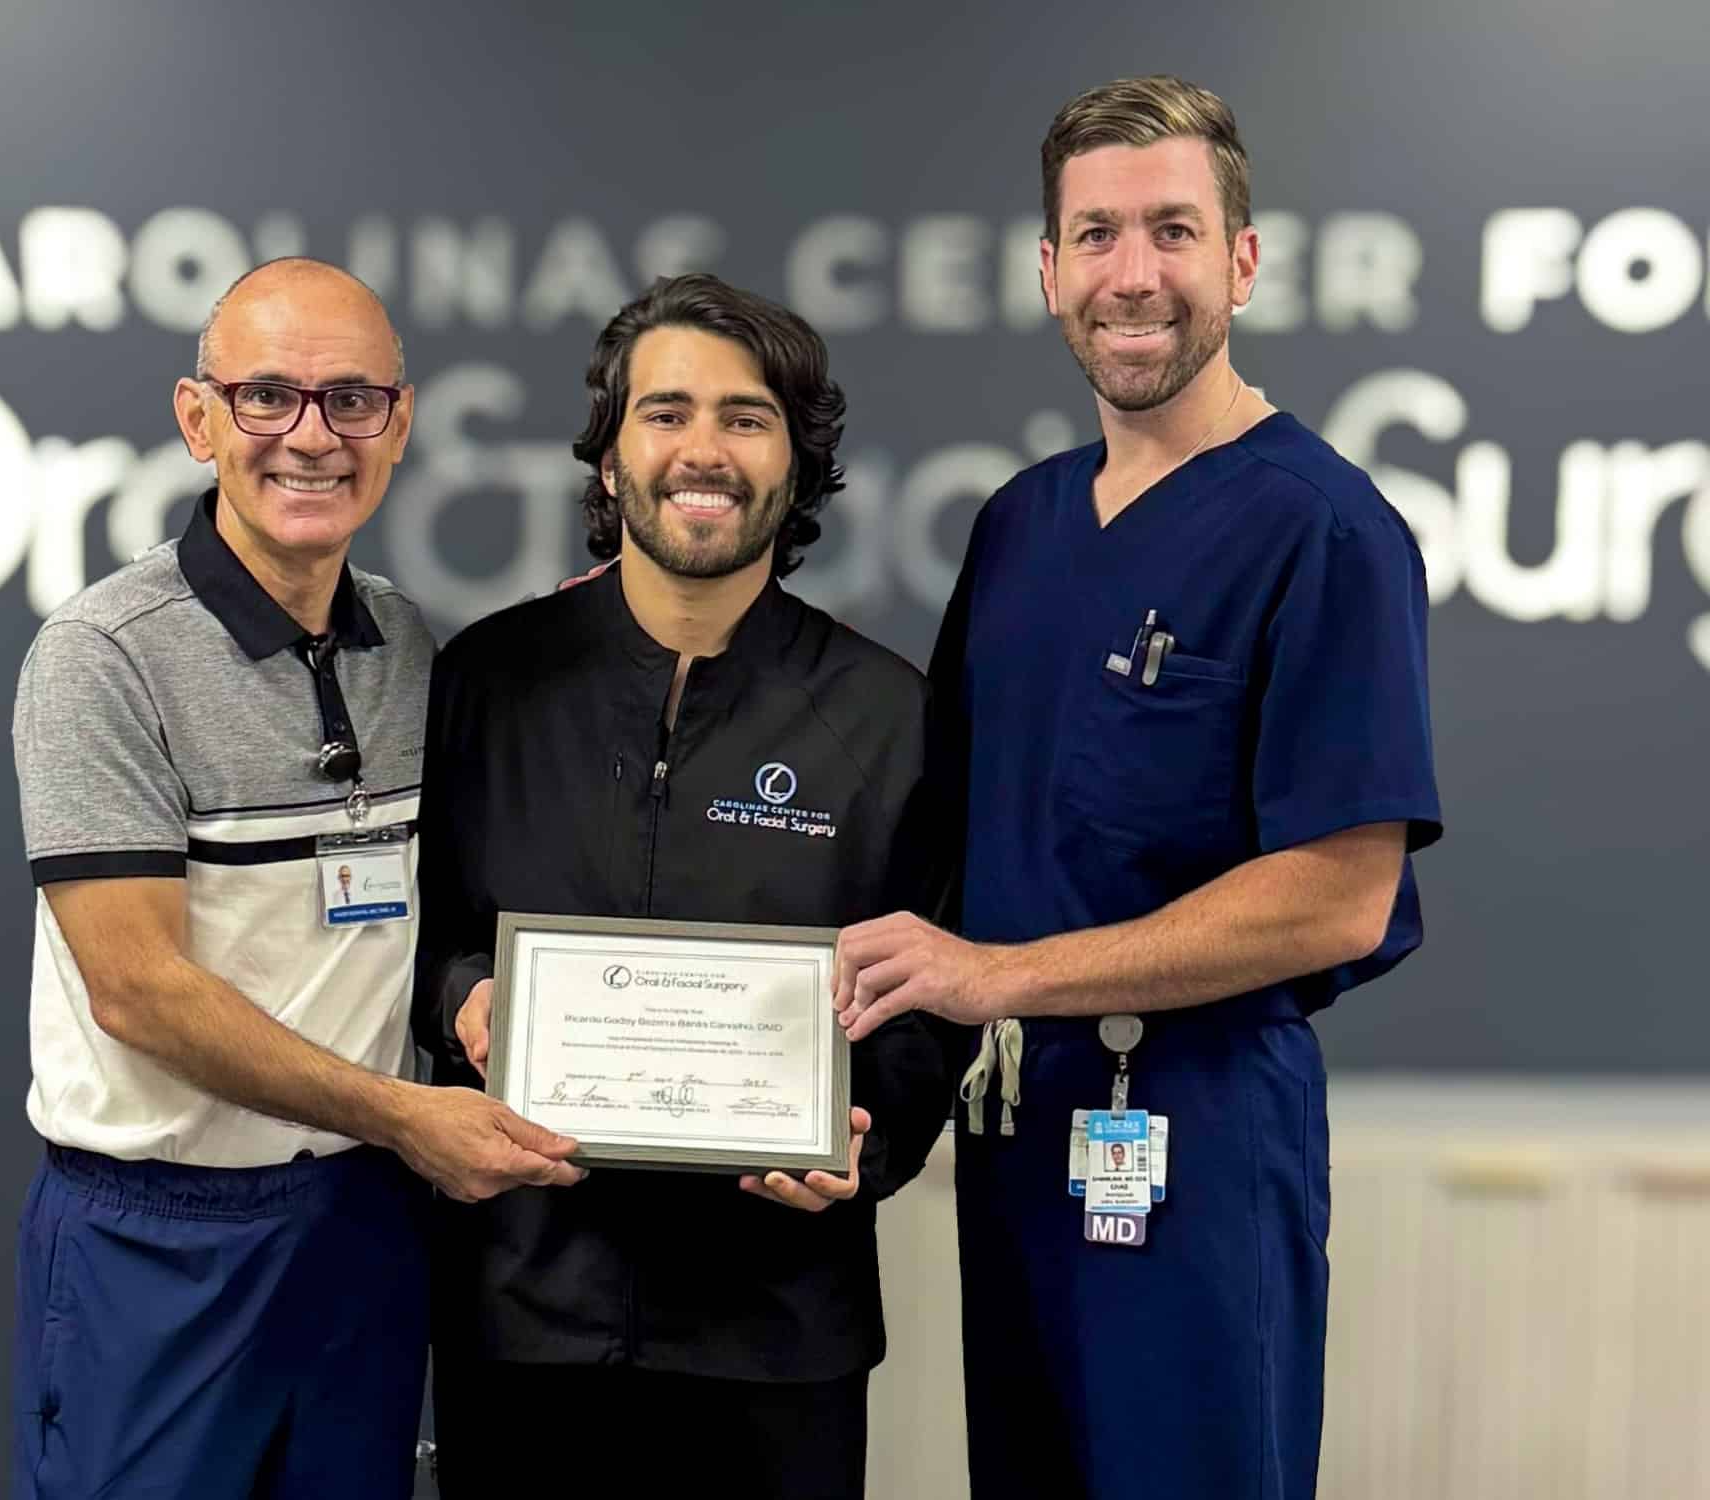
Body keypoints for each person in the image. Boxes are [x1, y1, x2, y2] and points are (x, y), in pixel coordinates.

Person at [832, 77, 1443, 1499]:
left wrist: (1001, 975)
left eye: (1173, 231)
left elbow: (1340, 900)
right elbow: (946, 832)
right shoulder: (1021, 525)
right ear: (1048, 271)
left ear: (1242, 260)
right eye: (1097, 235)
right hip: (1016, 1131)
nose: (1133, 275)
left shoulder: (1325, 530)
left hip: (1201, 1133)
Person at [9, 258, 582, 1500]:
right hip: (159, 1242)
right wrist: (403, 1116)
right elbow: (137, 989)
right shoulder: (101, 657)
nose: (311, 437)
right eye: (266, 395)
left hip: (363, 1231)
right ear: (197, 417)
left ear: (400, 423)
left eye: (351, 400)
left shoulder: (408, 646)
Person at [413, 272, 959, 1500]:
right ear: (609, 456)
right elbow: (412, 936)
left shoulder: (883, 713)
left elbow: (926, 1004)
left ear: (794, 463)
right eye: (664, 412)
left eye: (745, 417)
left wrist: (868, 1141)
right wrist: (461, 999)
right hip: (520, 1314)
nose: (701, 450)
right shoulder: (487, 681)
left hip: (775, 1333)